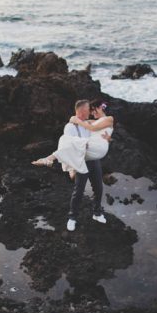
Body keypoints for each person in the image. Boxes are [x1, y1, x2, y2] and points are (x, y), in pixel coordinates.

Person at [32, 99, 114, 231]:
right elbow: (68, 146)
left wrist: (107, 139)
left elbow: (101, 132)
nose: (91, 111)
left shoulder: (88, 122)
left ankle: (97, 213)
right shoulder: (70, 127)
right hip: (80, 160)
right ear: (82, 110)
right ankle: (72, 218)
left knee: (98, 188)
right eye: (89, 109)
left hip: (93, 159)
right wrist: (72, 167)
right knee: (79, 191)